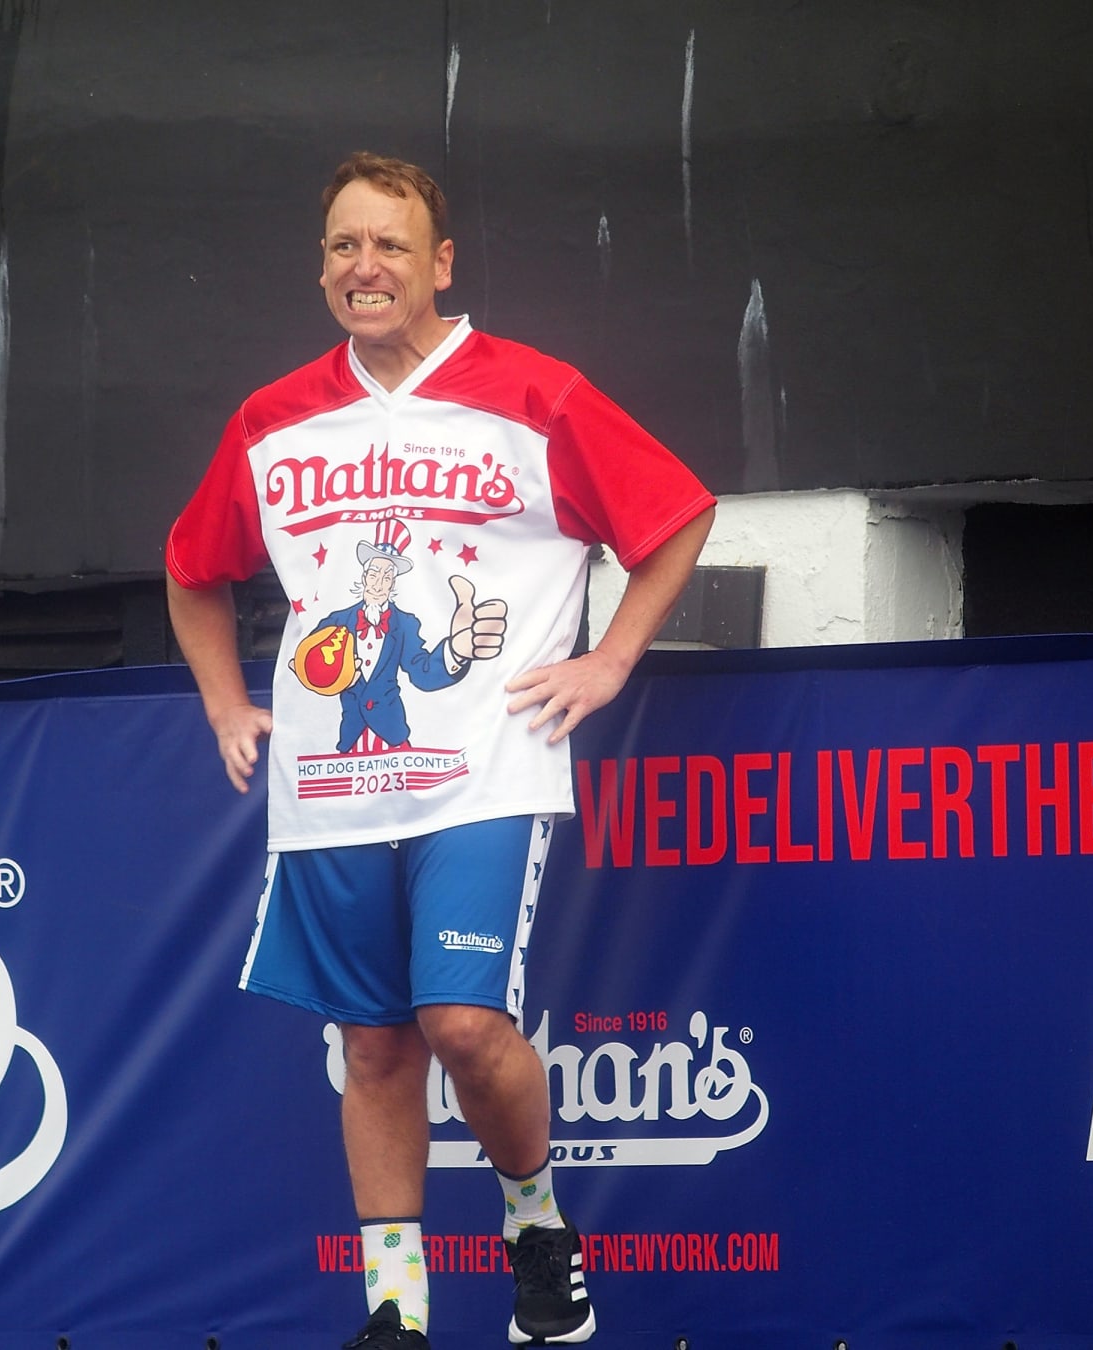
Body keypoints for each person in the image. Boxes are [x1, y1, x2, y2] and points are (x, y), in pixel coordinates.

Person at [166, 152, 715, 1349]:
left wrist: (609, 658)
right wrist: (225, 706)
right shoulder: (272, 419)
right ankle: (397, 1314)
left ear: (440, 264)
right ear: (322, 270)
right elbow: (194, 569)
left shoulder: (534, 393)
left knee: (460, 1026)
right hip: (328, 792)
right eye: (344, 247)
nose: (366, 267)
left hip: (483, 769)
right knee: (373, 1045)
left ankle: (535, 1228)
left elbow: (675, 514)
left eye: (392, 245)